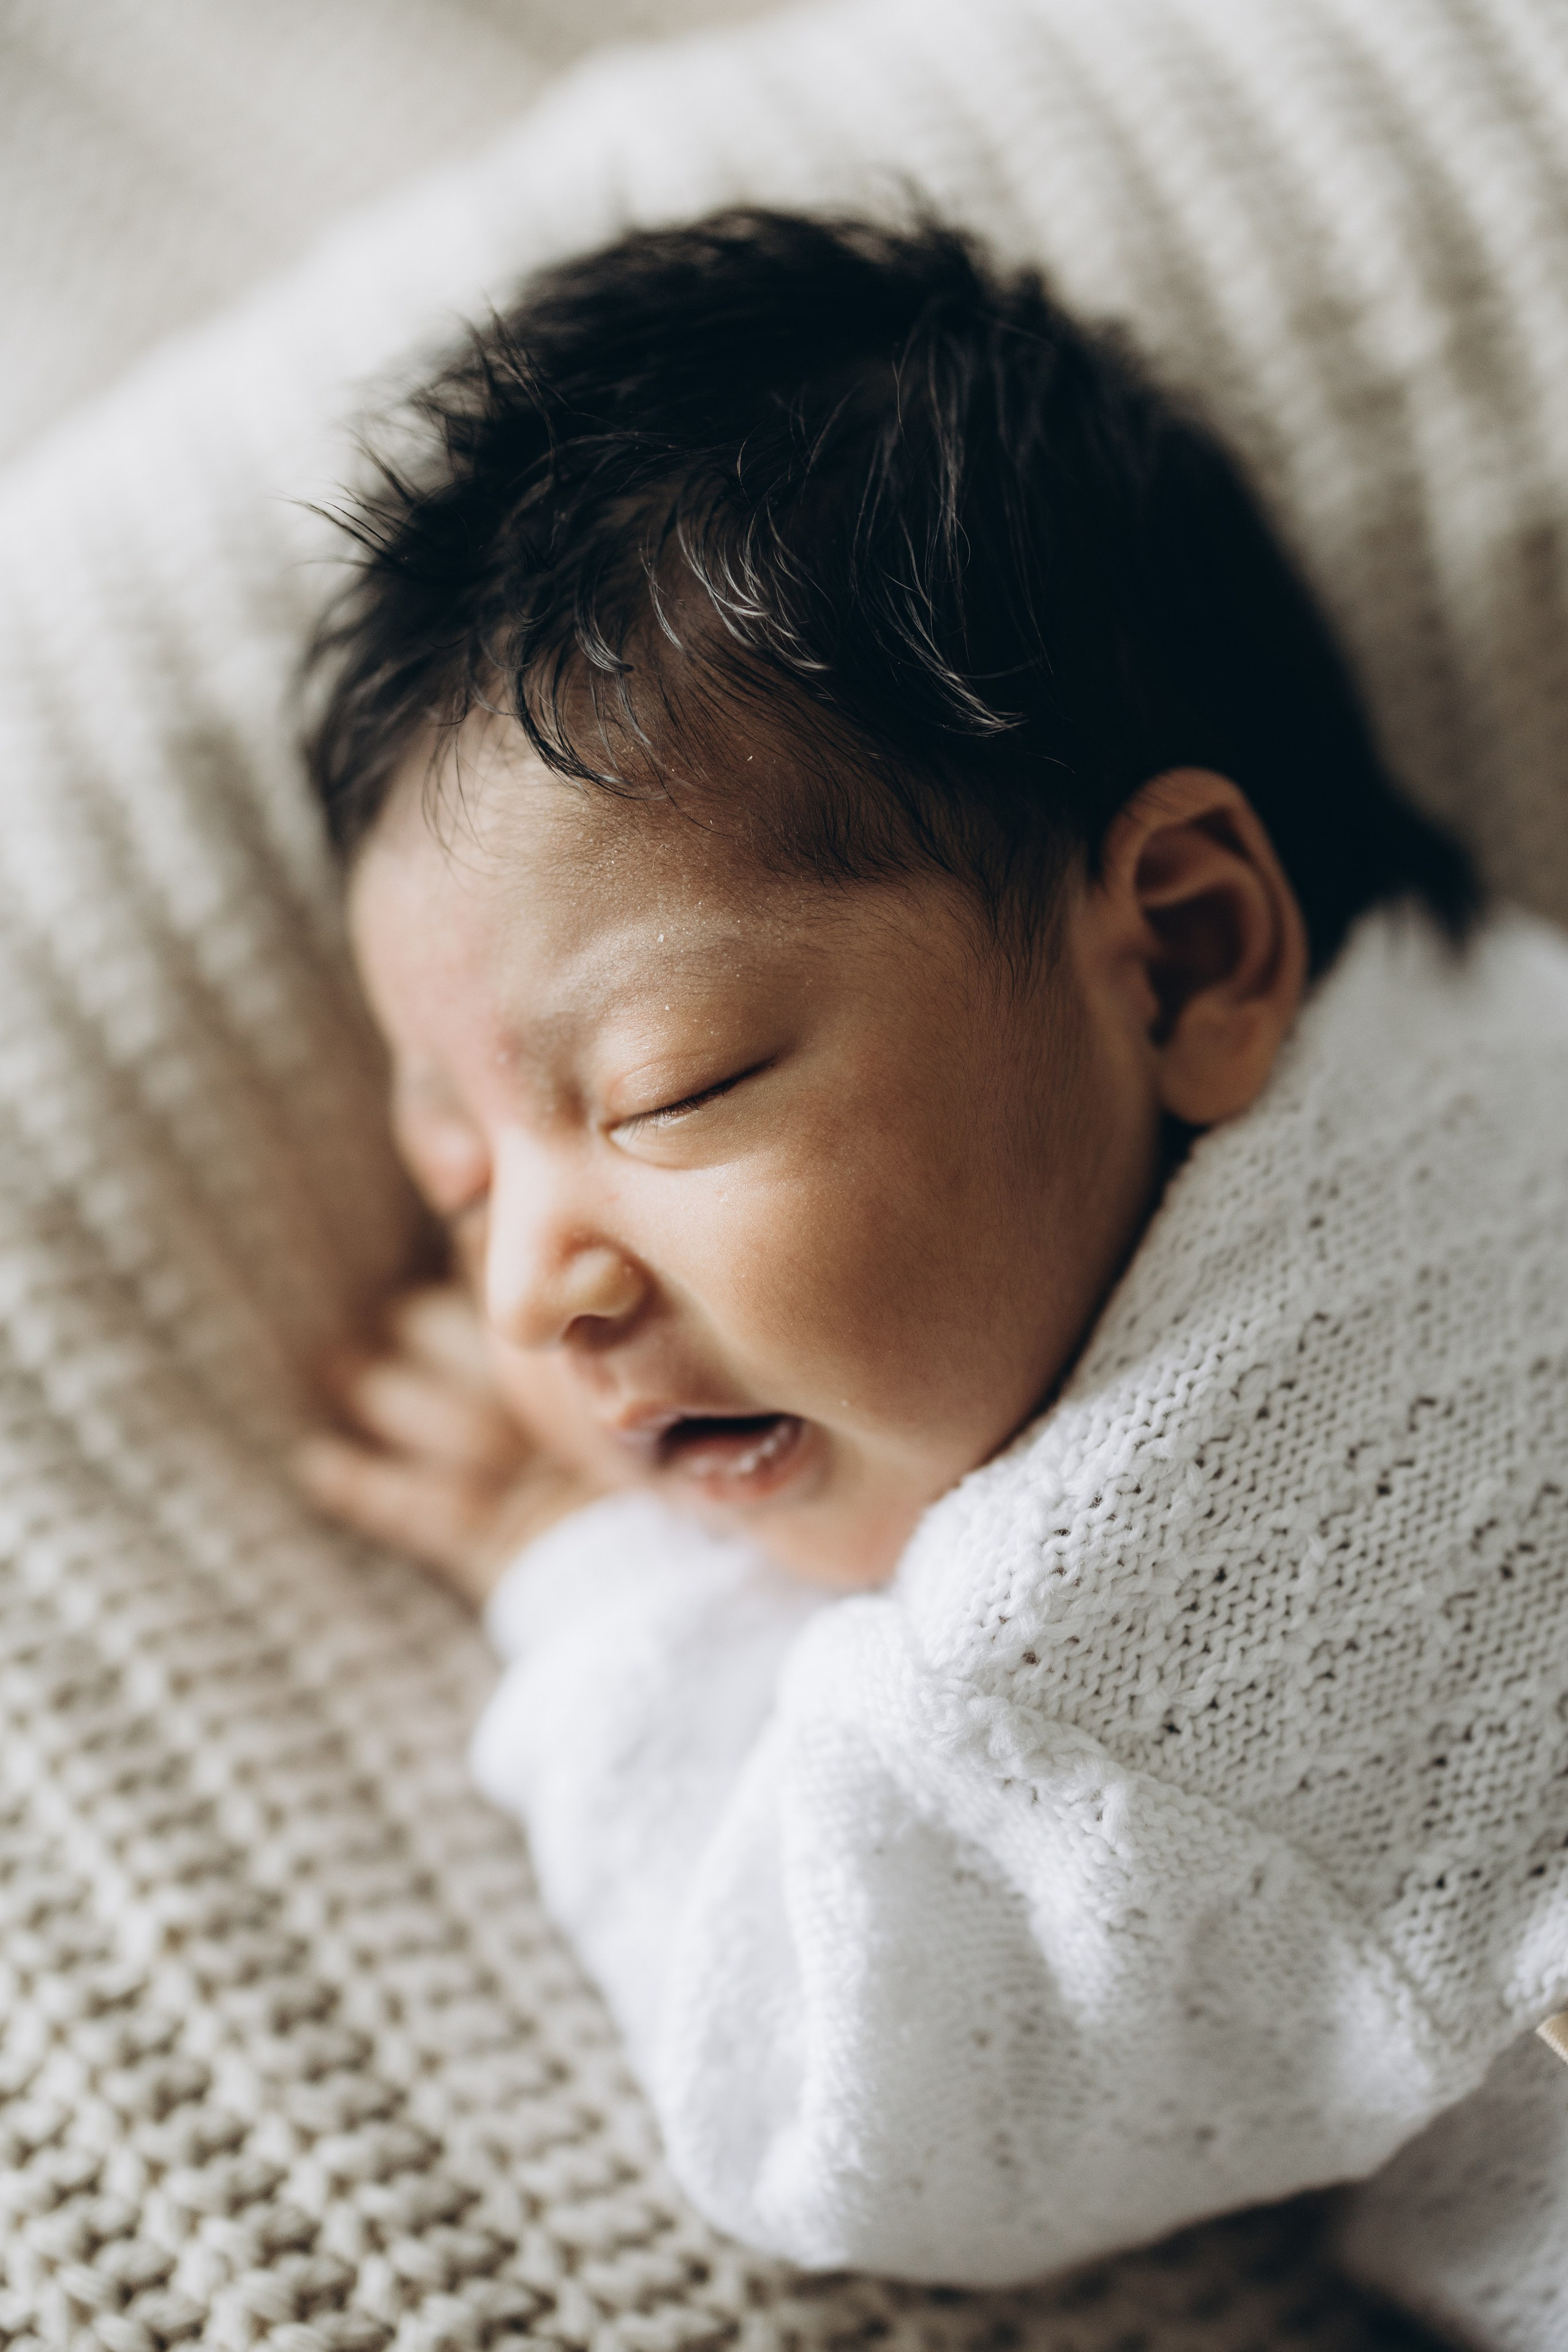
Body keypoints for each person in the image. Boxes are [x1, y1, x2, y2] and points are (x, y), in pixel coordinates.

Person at [294, 209, 1568, 2285]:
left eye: (670, 1088)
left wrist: (578, 1573)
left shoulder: (1092, 1671)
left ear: (1178, 948)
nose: (537, 1282)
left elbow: (824, 2111)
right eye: (463, 1186)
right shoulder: (1506, 1016)